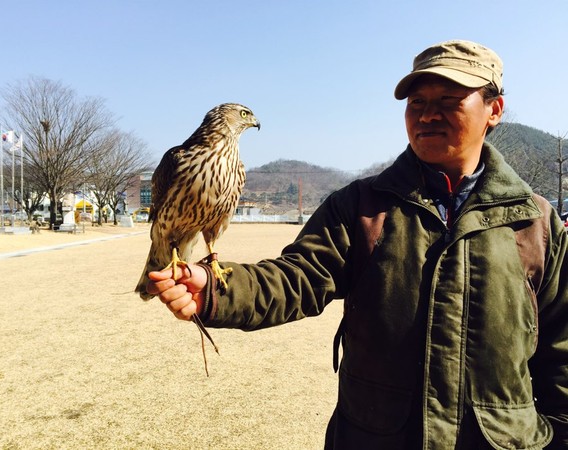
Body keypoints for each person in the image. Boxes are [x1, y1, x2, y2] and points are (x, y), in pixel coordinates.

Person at [146, 40, 568, 449]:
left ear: (494, 110)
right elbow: (297, 278)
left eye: (449, 100)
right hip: (375, 437)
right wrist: (216, 288)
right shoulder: (361, 206)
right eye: (416, 103)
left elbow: (562, 351)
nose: (427, 116)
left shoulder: (537, 223)